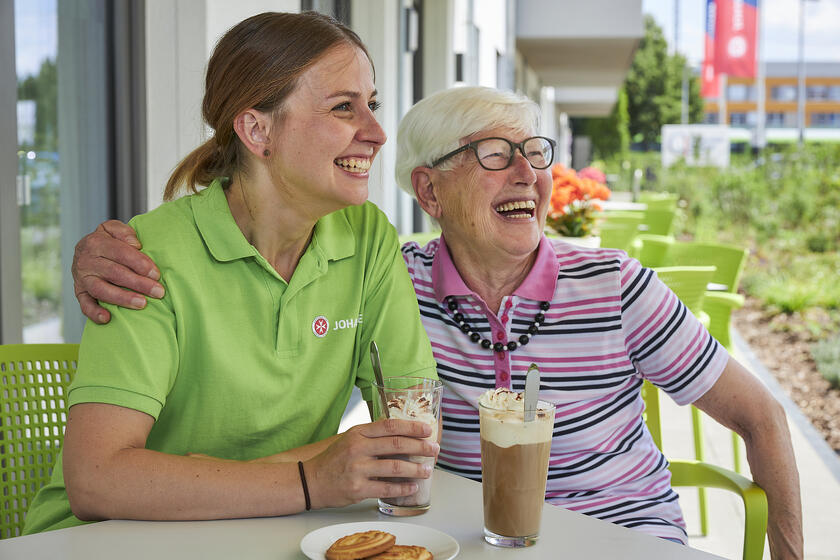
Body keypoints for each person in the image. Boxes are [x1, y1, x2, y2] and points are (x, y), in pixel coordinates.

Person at [71, 86, 803, 559]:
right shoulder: (391, 280)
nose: (527, 174)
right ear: (429, 189)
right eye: (493, 154)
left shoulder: (614, 284)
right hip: (463, 539)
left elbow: (762, 415)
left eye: (535, 154)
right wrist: (107, 251)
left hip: (624, 538)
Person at [23, 11, 440, 535]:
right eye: (343, 108)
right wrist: (312, 479)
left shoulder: (367, 237)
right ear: (256, 129)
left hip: (262, 531)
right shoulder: (142, 255)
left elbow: (411, 433)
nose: (377, 133)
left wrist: (225, 479)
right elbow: (98, 480)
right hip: (107, 540)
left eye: (371, 105)